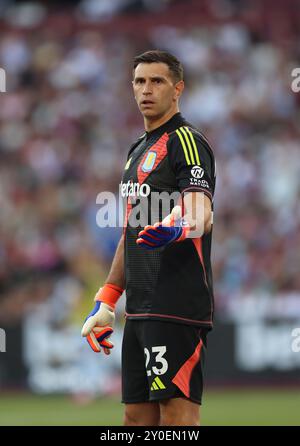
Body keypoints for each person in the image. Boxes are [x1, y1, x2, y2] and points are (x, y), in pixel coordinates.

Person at [81, 50, 216, 426]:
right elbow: (131, 230)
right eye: (139, 81)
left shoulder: (186, 141)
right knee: (135, 420)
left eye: (157, 81)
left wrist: (177, 227)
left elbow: (200, 214)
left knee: (178, 418)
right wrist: (107, 299)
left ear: (178, 89)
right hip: (139, 309)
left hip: (176, 305)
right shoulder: (135, 150)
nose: (146, 89)